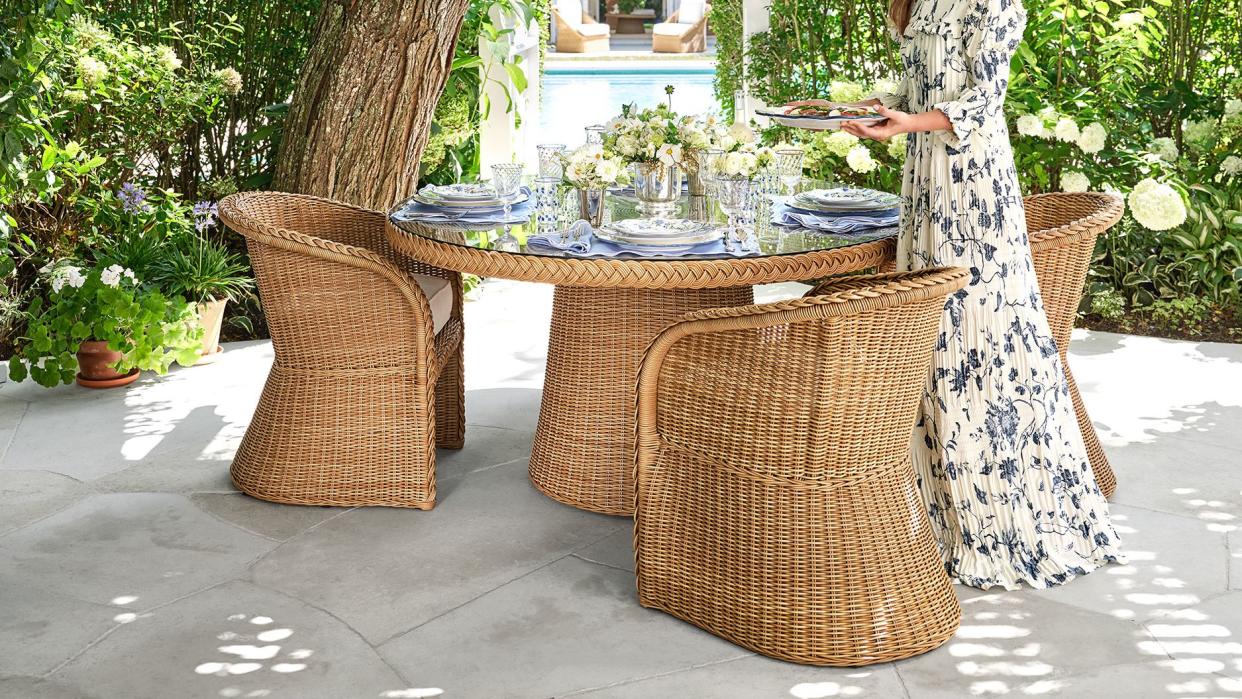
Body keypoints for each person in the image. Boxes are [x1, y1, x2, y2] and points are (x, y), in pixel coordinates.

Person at [807, 0, 1124, 589]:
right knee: (933, 336)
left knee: (979, 336)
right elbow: (922, 89)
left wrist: (909, 122)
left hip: (973, 184)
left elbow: (984, 99)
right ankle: (934, 514)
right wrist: (882, 113)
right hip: (925, 179)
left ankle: (997, 515)